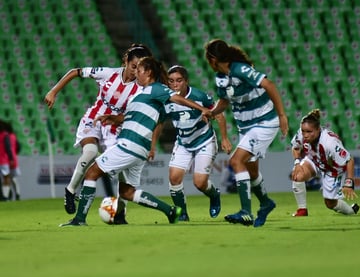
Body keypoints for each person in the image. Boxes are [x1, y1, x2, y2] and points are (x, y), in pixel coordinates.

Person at [59, 56, 213, 226]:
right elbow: (133, 116)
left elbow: (176, 98)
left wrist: (202, 109)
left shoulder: (156, 89)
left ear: (148, 72)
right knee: (127, 192)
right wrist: (115, 118)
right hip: (139, 148)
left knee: (91, 173)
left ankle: (79, 219)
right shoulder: (141, 94)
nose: (136, 74)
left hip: (130, 144)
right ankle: (170, 211)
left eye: (138, 71)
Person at [44, 43, 153, 215]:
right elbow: (75, 71)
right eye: (133, 67)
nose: (135, 71)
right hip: (93, 119)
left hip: (114, 128)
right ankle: (70, 191)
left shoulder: (141, 88)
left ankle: (121, 211)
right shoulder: (108, 74)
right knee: (90, 152)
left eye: (139, 68)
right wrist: (53, 91)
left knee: (121, 168)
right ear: (125, 61)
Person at [204, 39, 289, 227]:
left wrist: (282, 115)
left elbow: (269, 84)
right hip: (247, 127)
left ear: (213, 59)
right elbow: (224, 102)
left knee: (236, 161)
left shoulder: (240, 70)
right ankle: (266, 203)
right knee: (251, 171)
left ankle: (245, 212)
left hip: (264, 122)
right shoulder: (220, 77)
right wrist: (212, 112)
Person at [151, 65, 232, 221]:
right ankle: (183, 214)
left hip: (204, 141)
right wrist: (153, 145)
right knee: (174, 178)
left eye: (179, 81)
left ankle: (214, 195)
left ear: (186, 81)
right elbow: (160, 122)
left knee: (200, 183)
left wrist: (225, 138)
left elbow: (219, 115)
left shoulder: (199, 96)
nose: (175, 85)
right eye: (171, 81)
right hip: (183, 143)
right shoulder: (166, 99)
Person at [291, 109, 360, 215]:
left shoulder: (330, 142)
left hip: (332, 169)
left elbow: (349, 160)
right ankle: (302, 210)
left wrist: (349, 182)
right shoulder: (301, 133)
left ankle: (351, 211)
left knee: (330, 203)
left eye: (309, 132)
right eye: (303, 131)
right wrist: (297, 163)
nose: (305, 135)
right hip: (314, 159)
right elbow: (295, 148)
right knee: (297, 175)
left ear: (318, 129)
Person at [0, 120, 21, 201]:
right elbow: (16, 147)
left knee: (9, 178)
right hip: (8, 160)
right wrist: (12, 157)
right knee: (11, 178)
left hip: (7, 159)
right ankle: (13, 195)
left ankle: (7, 196)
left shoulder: (6, 136)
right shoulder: (10, 136)